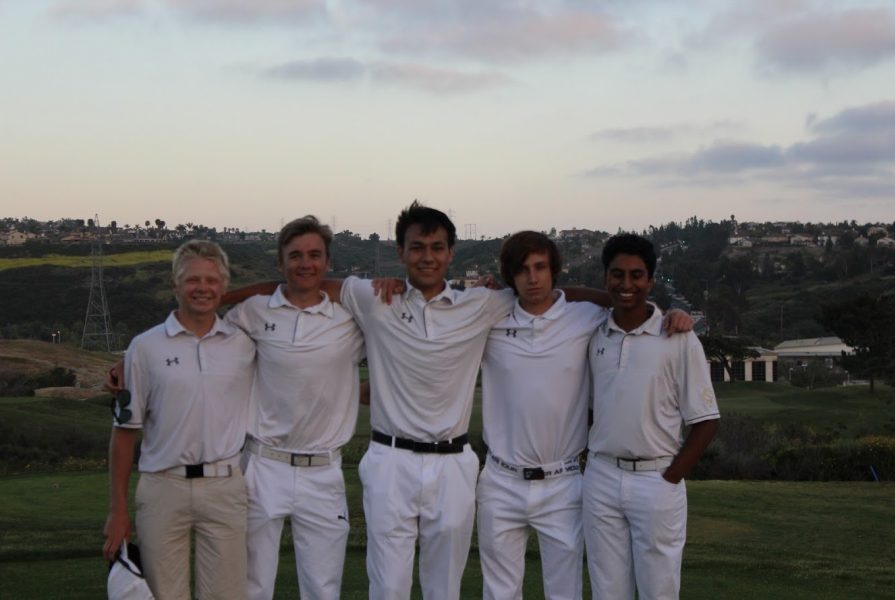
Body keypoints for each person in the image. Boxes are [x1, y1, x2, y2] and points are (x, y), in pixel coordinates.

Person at [477, 231, 694, 600]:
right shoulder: (489, 316)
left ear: (554, 270)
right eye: (523, 270)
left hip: (562, 482)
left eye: (541, 268)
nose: (533, 278)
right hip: (500, 480)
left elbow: (625, 305)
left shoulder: (585, 318)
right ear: (510, 277)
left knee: (565, 592)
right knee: (499, 593)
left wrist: (668, 312)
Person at [339, 201, 518, 600]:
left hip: (453, 465)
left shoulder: (482, 304)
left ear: (452, 252)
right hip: (390, 460)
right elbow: (305, 284)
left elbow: (553, 297)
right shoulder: (373, 298)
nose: (428, 256)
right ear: (400, 251)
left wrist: (645, 309)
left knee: (444, 588)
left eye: (437, 247)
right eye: (417, 247)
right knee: (388, 587)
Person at [102, 240, 255, 600]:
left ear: (224, 286)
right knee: (163, 594)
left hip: (224, 485)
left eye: (212, 280)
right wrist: (118, 510)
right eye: (192, 280)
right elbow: (124, 433)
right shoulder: (145, 347)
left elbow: (284, 294)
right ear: (175, 284)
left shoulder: (244, 344)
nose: (202, 288)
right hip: (162, 486)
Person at [225, 216, 364, 600]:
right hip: (262, 465)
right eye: (296, 255)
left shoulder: (351, 318)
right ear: (280, 262)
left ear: (328, 260)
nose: (306, 264)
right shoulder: (254, 311)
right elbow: (202, 336)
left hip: (323, 469)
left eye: (315, 255)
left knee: (322, 589)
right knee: (251, 586)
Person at [583, 233, 719, 600]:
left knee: (659, 589)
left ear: (651, 280)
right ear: (605, 278)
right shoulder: (595, 332)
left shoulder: (678, 337)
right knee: (607, 590)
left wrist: (671, 477)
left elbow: (706, 420)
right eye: (617, 275)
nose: (626, 284)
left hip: (656, 479)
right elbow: (560, 295)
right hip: (601, 476)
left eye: (636, 275)